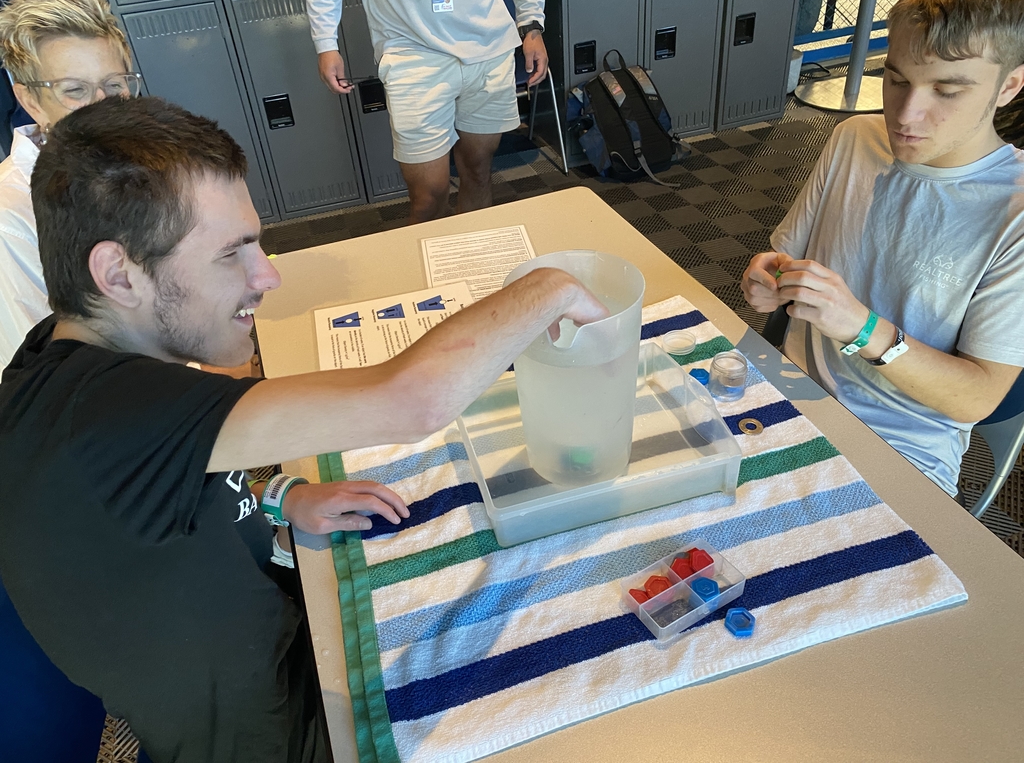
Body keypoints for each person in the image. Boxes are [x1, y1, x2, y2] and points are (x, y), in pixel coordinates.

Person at [0, 95, 605, 762]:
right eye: (231, 254)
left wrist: (281, 499)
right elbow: (412, 401)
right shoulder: (107, 415)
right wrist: (546, 287)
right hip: (288, 736)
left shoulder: (61, 361)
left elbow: (158, 503)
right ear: (118, 275)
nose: (268, 276)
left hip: (283, 636)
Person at [740, 0, 1024, 499]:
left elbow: (977, 398)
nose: (906, 114)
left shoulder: (1014, 213)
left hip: (903, 450)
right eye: (895, 79)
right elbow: (784, 266)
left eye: (947, 90)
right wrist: (771, 281)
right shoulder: (853, 138)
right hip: (789, 391)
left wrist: (861, 326)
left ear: (1009, 86)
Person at [307, 0, 547, 224]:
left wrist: (531, 24)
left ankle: (472, 259)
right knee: (428, 197)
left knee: (478, 171)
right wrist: (326, 44)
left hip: (489, 49)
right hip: (411, 54)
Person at [0, 0, 138, 375]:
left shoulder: (123, 162)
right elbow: (40, 377)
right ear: (29, 99)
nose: (102, 106)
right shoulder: (10, 219)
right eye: (74, 90)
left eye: (113, 85)